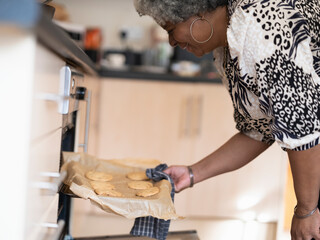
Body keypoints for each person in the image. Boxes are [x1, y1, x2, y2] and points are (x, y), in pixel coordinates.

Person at [133, 0, 320, 239]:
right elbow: (257, 132)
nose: (171, 42)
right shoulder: (228, 46)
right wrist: (192, 173)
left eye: (170, 30)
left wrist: (306, 210)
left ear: (197, 12)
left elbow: (303, 128)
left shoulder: (257, 25)